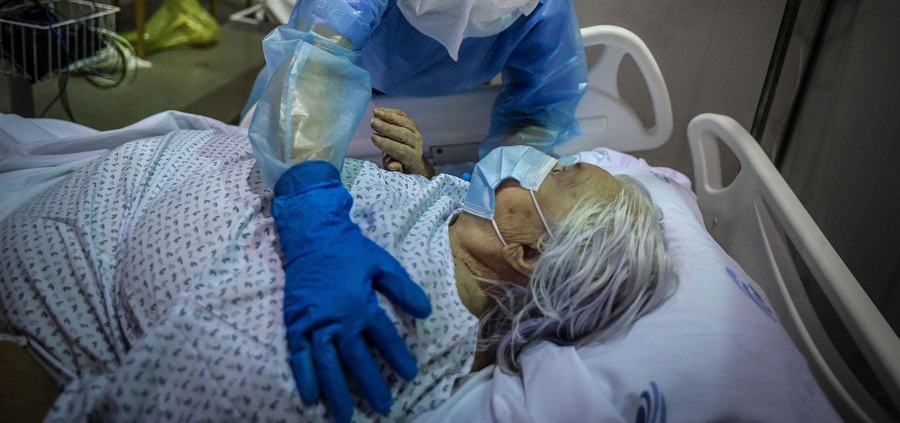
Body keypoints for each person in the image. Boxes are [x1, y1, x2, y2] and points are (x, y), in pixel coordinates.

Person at [243, 0, 610, 413]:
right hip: (311, 128)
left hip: (420, 144)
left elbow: (541, 112)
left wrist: (472, 199)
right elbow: (313, 67)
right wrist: (311, 209)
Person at [0, 121, 676, 423]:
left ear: (527, 256)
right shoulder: (464, 225)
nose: (535, 159)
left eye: (555, 174)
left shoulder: (392, 325)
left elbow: (217, 385)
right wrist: (419, 178)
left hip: (87, 236)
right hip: (154, 177)